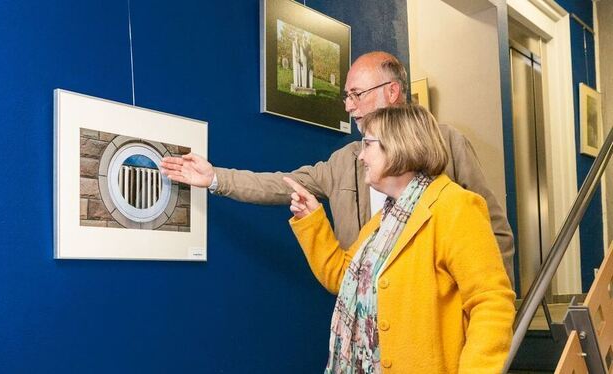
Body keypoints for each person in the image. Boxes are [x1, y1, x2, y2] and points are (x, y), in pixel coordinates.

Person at [161, 51, 515, 285]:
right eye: (346, 96)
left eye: (356, 94)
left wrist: (494, 308)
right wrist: (215, 178)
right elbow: (282, 184)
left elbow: (494, 230)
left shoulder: (447, 144)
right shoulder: (346, 160)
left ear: (392, 92)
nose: (348, 106)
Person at [285, 104, 515, 373]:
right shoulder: (384, 219)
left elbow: (491, 301)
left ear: (397, 146)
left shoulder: (456, 207)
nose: (361, 156)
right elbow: (342, 275)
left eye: (367, 144)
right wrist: (312, 219)